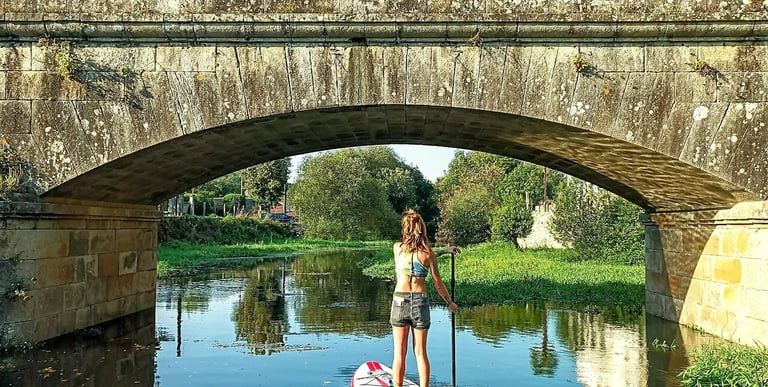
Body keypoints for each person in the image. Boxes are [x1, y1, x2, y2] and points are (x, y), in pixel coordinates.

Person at [390, 209, 461, 387]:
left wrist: (443, 251)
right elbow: (438, 283)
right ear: (422, 229)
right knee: (420, 352)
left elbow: (411, 254)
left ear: (405, 229)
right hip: (420, 302)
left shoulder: (397, 248)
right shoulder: (428, 254)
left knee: (399, 352)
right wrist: (449, 303)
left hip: (399, 301)